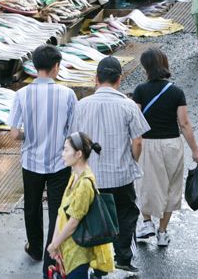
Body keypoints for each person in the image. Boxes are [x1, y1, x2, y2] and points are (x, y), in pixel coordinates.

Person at [71, 56, 150, 273]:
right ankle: (122, 258)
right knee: (125, 215)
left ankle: (95, 263)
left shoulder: (81, 106)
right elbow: (138, 141)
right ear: (119, 79)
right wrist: (132, 160)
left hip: (90, 176)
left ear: (96, 79)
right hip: (121, 174)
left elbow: (73, 141)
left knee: (92, 217)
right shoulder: (128, 106)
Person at [9, 45, 77, 274]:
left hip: (31, 162)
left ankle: (35, 248)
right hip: (60, 162)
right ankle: (52, 256)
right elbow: (73, 131)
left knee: (32, 205)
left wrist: (30, 135)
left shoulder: (22, 94)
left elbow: (14, 133)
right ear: (56, 67)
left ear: (35, 67)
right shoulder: (67, 94)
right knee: (58, 210)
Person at [133, 48, 198, 247]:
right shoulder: (176, 91)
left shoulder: (140, 91)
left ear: (146, 67)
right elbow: (184, 124)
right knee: (172, 187)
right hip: (173, 144)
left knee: (145, 185)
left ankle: (147, 222)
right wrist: (195, 150)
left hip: (149, 144)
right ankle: (162, 233)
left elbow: (136, 122)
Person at [47, 132, 115, 279]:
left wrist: (54, 245)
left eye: (66, 150)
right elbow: (61, 212)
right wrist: (56, 244)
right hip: (67, 247)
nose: (62, 154)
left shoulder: (85, 183)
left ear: (78, 154)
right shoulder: (74, 176)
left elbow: (73, 222)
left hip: (78, 253)